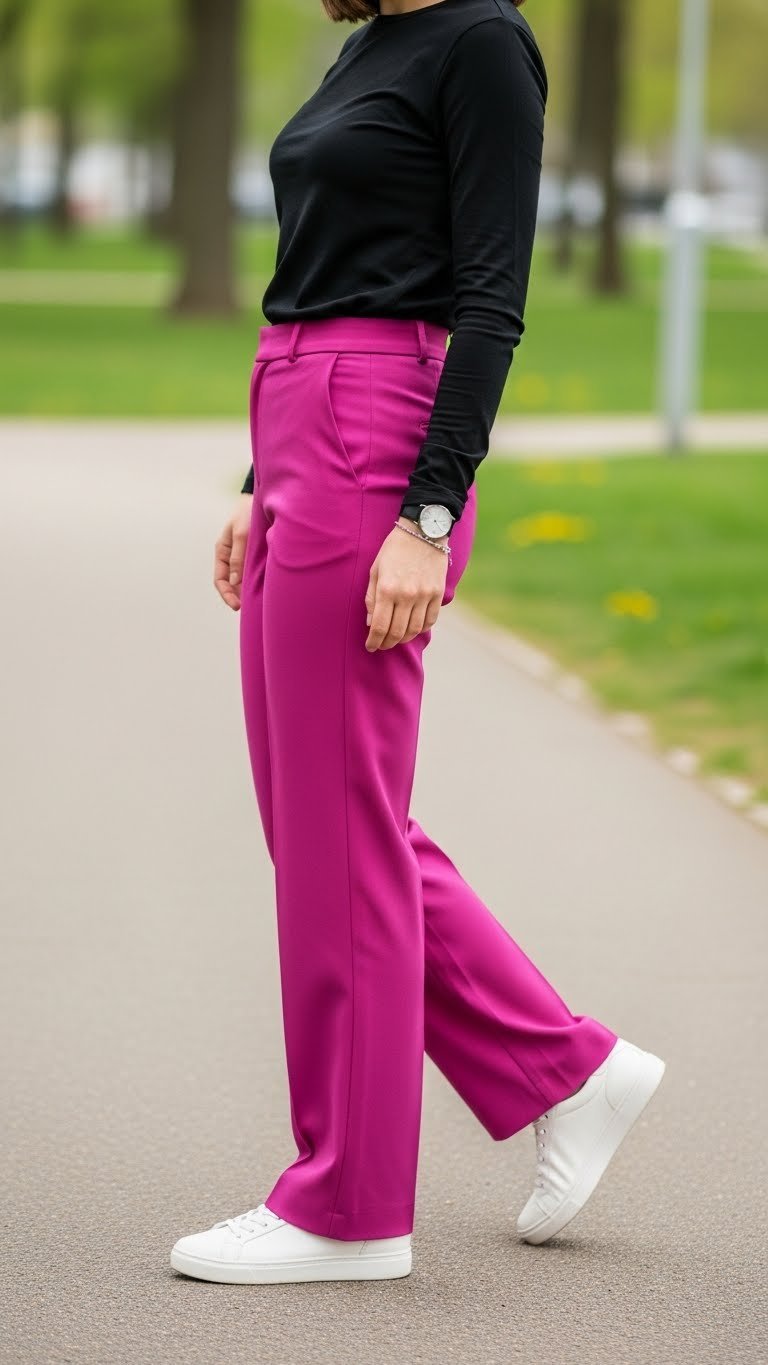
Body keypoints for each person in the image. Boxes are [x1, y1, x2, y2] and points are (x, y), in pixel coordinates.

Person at [171, 0, 665, 1286]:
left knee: (339, 828)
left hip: (376, 438)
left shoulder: (482, 43)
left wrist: (429, 516)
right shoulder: (367, 46)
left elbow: (490, 297)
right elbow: (332, 263)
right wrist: (249, 475)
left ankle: (347, 1206)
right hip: (295, 419)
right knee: (324, 821)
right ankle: (569, 1068)